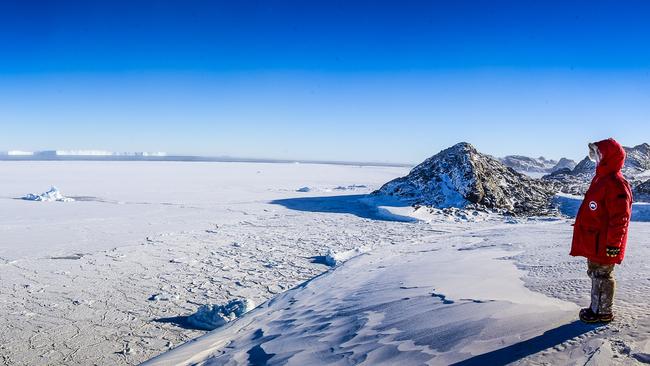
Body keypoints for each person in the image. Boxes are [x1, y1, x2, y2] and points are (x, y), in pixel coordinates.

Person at [570, 138, 633, 323]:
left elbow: (620, 219)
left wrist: (613, 246)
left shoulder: (615, 183)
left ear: (608, 157)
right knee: (595, 274)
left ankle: (604, 312)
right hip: (595, 241)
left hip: (605, 243)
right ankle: (595, 308)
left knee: (603, 276)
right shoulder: (601, 178)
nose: (596, 158)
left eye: (598, 154)